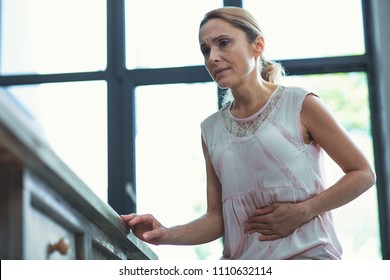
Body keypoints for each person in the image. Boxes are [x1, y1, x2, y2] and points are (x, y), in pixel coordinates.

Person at [121, 7, 376, 259]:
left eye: (224, 43)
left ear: (258, 46)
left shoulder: (300, 103)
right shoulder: (210, 130)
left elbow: (363, 173)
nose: (212, 58)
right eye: (206, 50)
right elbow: (217, 217)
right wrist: (164, 234)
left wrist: (306, 210)